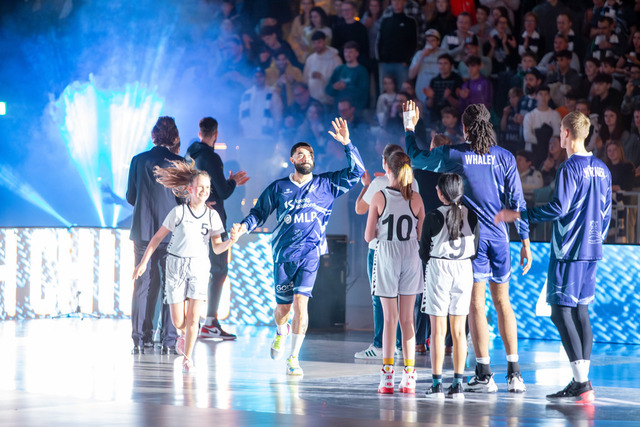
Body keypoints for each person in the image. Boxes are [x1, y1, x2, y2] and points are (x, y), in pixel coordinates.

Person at [404, 101, 530, 393]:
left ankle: (484, 374)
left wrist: (410, 127)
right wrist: (525, 241)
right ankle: (515, 375)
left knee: (476, 304)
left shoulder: (455, 154)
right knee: (503, 302)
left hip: (473, 240)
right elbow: (518, 203)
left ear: (464, 128)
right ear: (489, 125)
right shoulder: (505, 157)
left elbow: (416, 158)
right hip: (501, 238)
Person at [495, 111, 612, 403]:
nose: (559, 135)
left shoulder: (569, 167)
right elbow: (606, 211)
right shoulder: (602, 168)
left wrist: (520, 215)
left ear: (567, 133)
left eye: (560, 130)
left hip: (569, 249)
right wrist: (596, 241)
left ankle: (582, 383)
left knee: (560, 312)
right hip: (592, 249)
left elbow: (559, 208)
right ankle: (581, 381)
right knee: (581, 312)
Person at [235, 118, 365, 376]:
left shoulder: (326, 185)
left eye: (310, 155)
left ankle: (293, 358)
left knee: (300, 304)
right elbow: (259, 213)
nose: (306, 158)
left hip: (310, 255)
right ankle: (280, 331)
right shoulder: (279, 187)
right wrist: (243, 227)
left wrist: (347, 143)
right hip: (283, 255)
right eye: (301, 154)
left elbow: (357, 172)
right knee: (283, 311)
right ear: (292, 160)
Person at [132, 161, 240, 372]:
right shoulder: (178, 212)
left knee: (193, 318)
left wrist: (231, 241)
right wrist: (143, 262)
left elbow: (217, 248)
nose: (204, 191)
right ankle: (183, 334)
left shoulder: (213, 216)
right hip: (175, 266)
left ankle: (188, 358)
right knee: (178, 321)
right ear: (190, 189)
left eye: (207, 187)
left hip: (199, 267)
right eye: (200, 187)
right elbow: (156, 238)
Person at [364, 151, 424, 394]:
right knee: (408, 319)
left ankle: (387, 377)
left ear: (386, 167)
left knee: (390, 318)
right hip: (411, 255)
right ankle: (409, 376)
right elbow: (420, 235)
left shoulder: (379, 196)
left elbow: (368, 236)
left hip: (387, 255)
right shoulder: (416, 198)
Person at [186, 117, 250, 340]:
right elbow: (223, 192)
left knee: (194, 270)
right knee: (219, 269)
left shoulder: (189, 156)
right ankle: (209, 322)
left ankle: (188, 322)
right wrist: (232, 182)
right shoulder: (210, 157)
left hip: (192, 220)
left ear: (199, 132)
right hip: (212, 222)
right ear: (216, 134)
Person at [353, 144, 419, 359]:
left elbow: (360, 209)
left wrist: (366, 186)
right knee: (406, 311)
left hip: (381, 251)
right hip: (409, 251)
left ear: (386, 163)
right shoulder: (414, 184)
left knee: (381, 301)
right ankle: (403, 352)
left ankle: (380, 347)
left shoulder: (379, 186)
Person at [126, 116, 182, 355]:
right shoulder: (180, 163)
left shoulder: (138, 160)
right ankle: (168, 341)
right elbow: (183, 199)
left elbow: (131, 196)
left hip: (143, 230)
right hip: (171, 233)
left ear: (153, 136)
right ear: (175, 137)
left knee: (142, 285)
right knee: (171, 286)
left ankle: (140, 339)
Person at [421, 173, 479, 400]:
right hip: (464, 270)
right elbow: (475, 250)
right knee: (459, 332)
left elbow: (423, 252)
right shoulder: (472, 215)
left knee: (438, 331)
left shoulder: (433, 216)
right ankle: (458, 385)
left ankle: (437, 386)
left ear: (440, 193)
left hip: (439, 268)